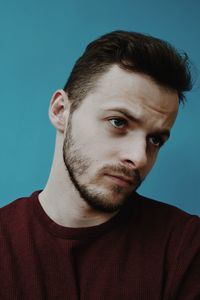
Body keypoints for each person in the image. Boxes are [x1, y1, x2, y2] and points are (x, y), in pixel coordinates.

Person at [0, 30, 199, 300]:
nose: (139, 158)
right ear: (61, 111)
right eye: (118, 122)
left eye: (155, 139)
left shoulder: (184, 247)